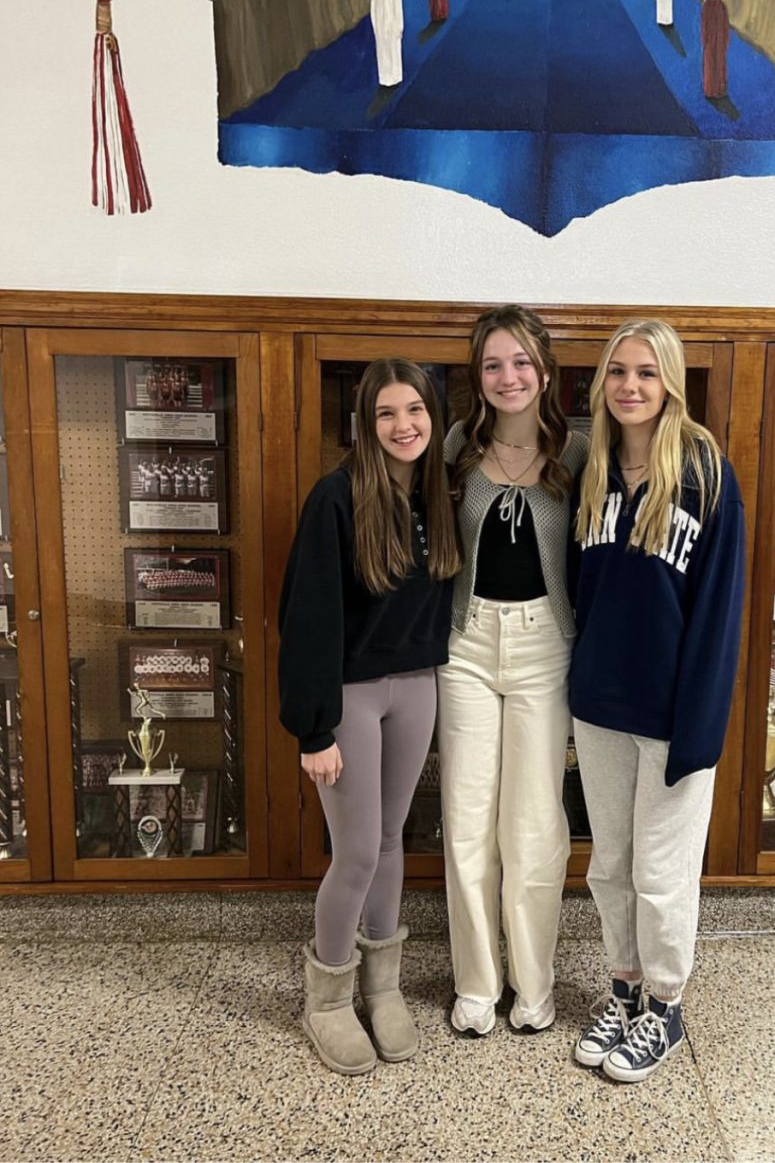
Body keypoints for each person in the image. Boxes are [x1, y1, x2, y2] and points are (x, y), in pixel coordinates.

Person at [569, 319, 745, 1083]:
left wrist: (699, 727)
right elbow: (584, 590)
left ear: (669, 382)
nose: (630, 386)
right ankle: (624, 988)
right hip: (600, 703)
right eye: (617, 373)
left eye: (645, 372)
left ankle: (665, 1009)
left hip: (674, 713)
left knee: (662, 873)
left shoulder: (704, 471)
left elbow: (719, 606)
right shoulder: (594, 466)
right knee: (610, 865)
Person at [278, 358, 460, 1075]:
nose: (402, 425)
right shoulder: (335, 497)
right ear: (364, 421)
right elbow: (306, 616)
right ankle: (326, 997)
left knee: (391, 841)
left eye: (413, 410)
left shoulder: (440, 496)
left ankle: (382, 988)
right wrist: (313, 728)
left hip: (416, 685)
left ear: (431, 417)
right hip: (351, 692)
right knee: (354, 852)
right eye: (385, 413)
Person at [438, 305, 589, 1038]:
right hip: (464, 647)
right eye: (493, 364)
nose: (509, 376)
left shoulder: (579, 454)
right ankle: (475, 984)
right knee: (466, 821)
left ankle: (533, 984)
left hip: (543, 646)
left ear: (545, 371)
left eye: (522, 362)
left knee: (532, 826)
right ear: (477, 375)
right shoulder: (454, 448)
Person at [370, 0, 403, 88]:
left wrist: (376, 29)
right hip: (392, 29)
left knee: (383, 52)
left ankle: (385, 78)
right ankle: (395, 77)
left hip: (381, 30)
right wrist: (399, 29)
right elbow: (398, 13)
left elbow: (373, 13)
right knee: (393, 51)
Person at [701, 0, 730, 99]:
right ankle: (720, 89)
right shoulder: (723, 7)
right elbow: (725, 26)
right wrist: (725, 41)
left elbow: (704, 26)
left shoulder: (707, 5)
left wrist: (704, 39)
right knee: (720, 64)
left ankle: (710, 90)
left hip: (710, 42)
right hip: (720, 41)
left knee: (710, 64)